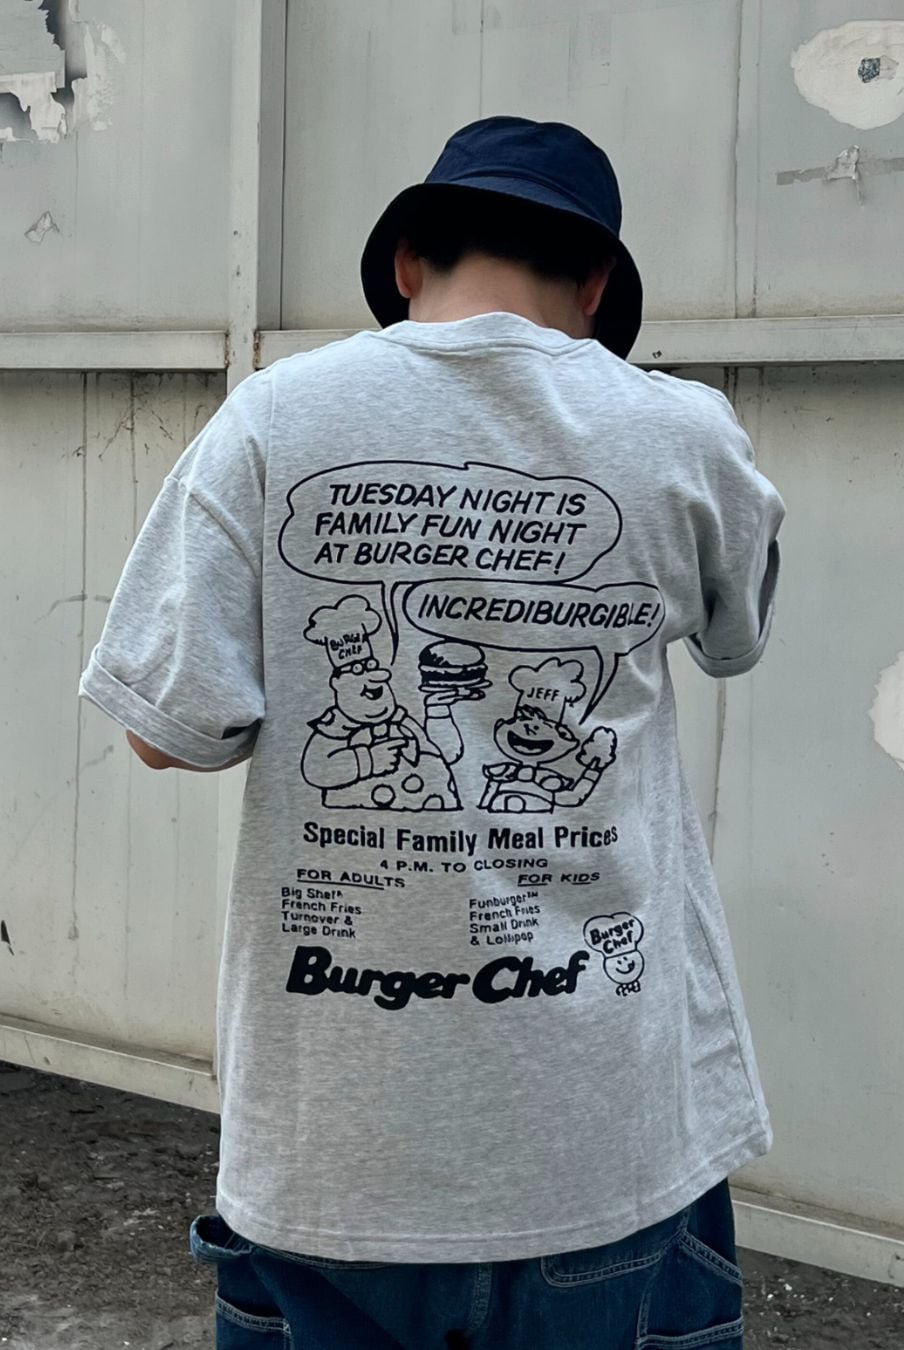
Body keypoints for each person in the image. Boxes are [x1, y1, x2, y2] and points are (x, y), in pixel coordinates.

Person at [78, 117, 784, 1349]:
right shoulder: (685, 432)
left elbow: (168, 733)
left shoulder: (273, 419)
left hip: (331, 1152)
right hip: (602, 1137)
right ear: (597, 285)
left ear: (408, 261)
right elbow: (735, 641)